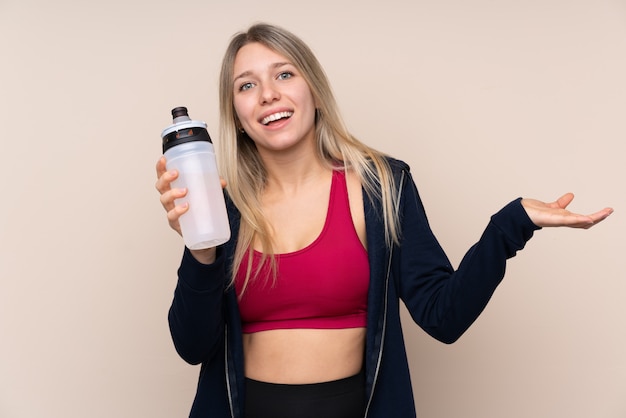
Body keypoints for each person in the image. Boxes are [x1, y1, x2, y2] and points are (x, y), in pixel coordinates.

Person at [155, 23, 613, 418]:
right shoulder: (221, 205)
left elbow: (443, 316)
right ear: (236, 113)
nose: (269, 93)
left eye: (284, 74)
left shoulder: (382, 185)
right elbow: (193, 346)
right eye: (247, 85)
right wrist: (201, 250)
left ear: (312, 87)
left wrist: (511, 225)